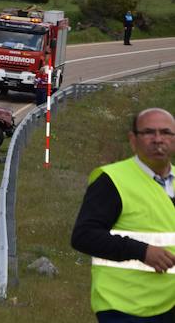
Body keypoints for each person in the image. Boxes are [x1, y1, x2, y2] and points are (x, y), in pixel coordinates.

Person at [71, 108, 175, 322]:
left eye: (165, 132)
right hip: (124, 307)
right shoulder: (112, 180)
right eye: (148, 132)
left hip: (169, 303)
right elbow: (84, 236)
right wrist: (142, 251)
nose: (158, 140)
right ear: (133, 140)